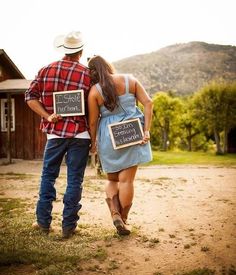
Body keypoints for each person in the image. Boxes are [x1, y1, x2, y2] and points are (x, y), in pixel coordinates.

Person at [25, 31, 91, 238]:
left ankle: (43, 223)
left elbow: (30, 97)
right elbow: (95, 105)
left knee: (48, 176)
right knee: (75, 180)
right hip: (80, 134)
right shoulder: (88, 73)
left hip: (54, 134)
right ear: (80, 51)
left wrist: (47, 115)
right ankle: (68, 226)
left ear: (63, 50)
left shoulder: (46, 70)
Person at [88, 55, 153, 236]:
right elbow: (149, 102)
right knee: (127, 181)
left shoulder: (94, 91)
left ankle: (115, 214)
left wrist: (93, 144)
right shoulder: (129, 80)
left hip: (109, 136)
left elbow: (93, 122)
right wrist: (146, 130)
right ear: (109, 66)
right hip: (132, 132)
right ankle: (123, 220)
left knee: (112, 180)